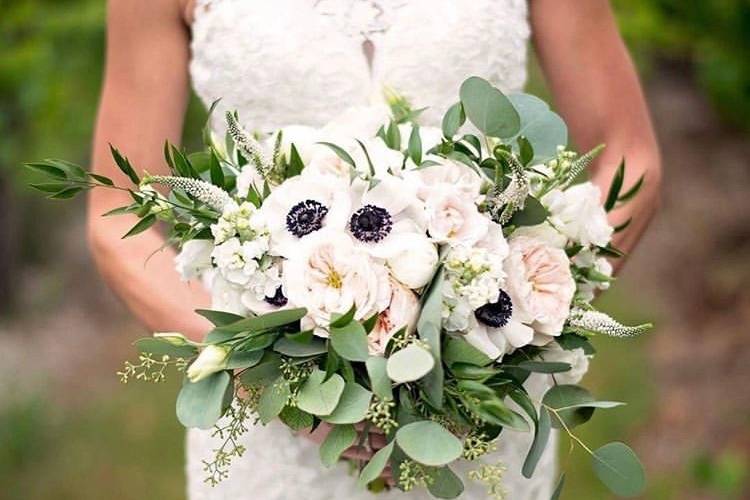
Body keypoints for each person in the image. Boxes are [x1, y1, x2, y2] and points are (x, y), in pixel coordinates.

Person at [87, 1, 661, 498]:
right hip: (271, 435)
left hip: (486, 406)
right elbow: (113, 216)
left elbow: (630, 156)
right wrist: (263, 374)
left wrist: (534, 312)